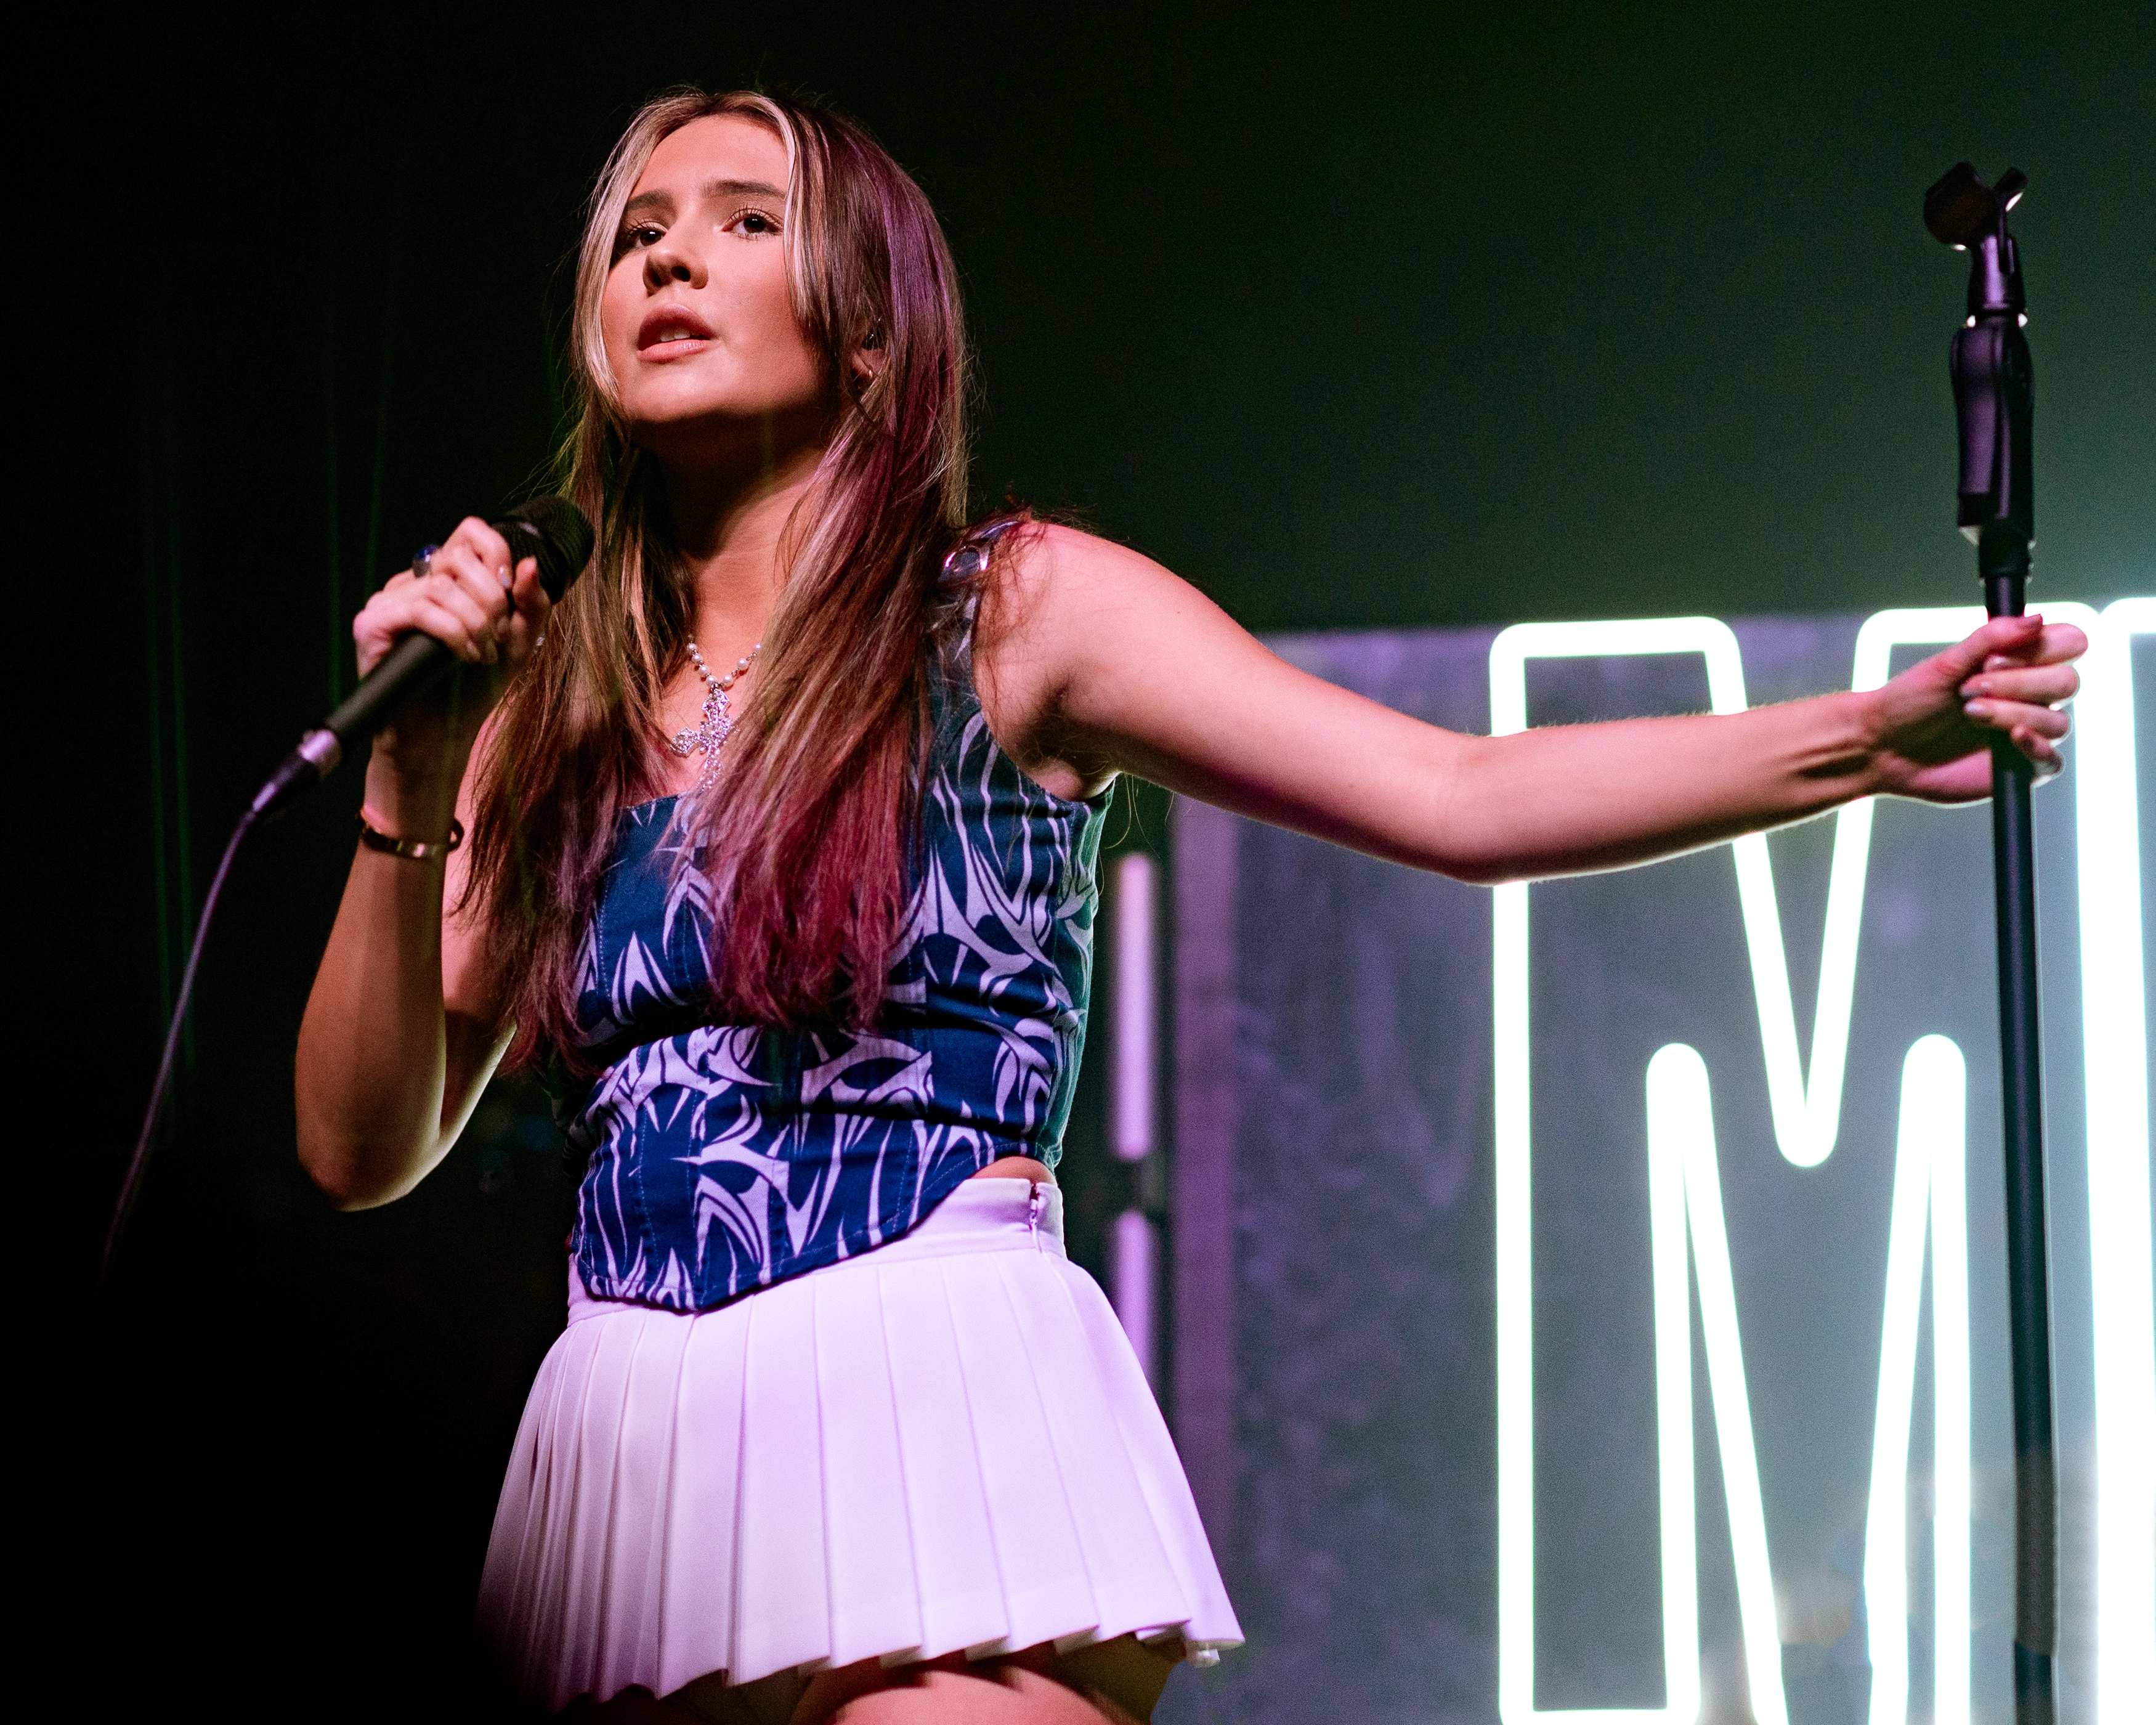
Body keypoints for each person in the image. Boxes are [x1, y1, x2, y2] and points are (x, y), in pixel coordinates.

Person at [292, 88, 2082, 1725]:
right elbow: (361, 1147)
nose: (671, 252)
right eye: (635, 230)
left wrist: (1855, 735)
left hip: (927, 1391)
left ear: (866, 324)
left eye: (747, 218)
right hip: (627, 1442)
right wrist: (410, 769)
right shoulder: (549, 702)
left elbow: (1449, 794)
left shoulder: (1011, 611)